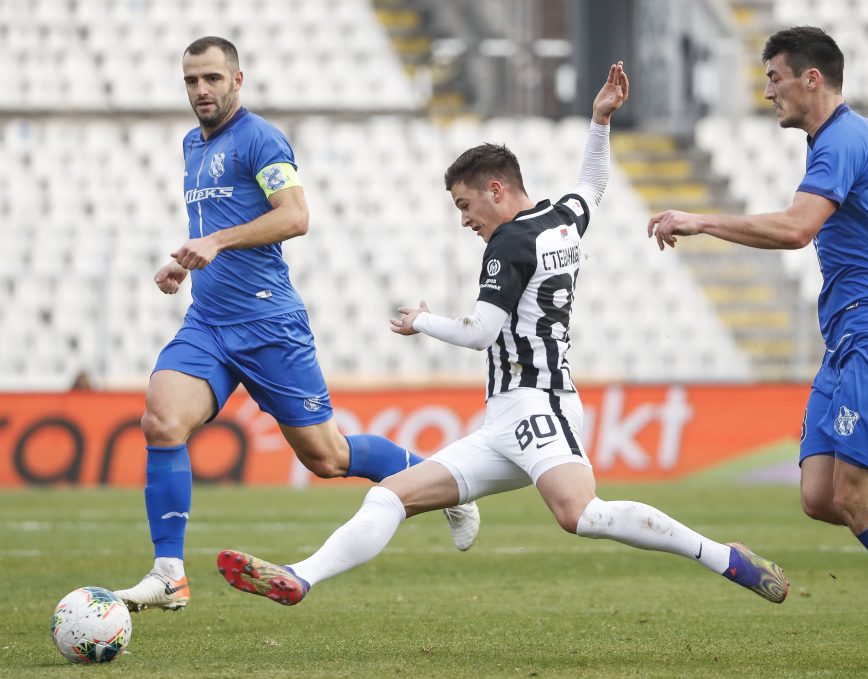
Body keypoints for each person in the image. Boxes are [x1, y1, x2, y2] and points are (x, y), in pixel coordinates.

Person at [214, 62, 790, 611]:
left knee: (581, 515)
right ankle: (301, 576)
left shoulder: (510, 243)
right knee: (391, 494)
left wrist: (421, 321)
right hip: (507, 418)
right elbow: (592, 184)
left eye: (465, 205)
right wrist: (600, 121)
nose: (464, 219)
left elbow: (481, 332)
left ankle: (723, 558)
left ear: (495, 189)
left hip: (537, 405)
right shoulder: (562, 216)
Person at [647, 26, 868, 673]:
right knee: (821, 493)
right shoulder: (840, 144)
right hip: (849, 340)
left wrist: (700, 219)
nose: (768, 92)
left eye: (775, 78)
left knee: (860, 496)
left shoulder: (842, 138)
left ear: (812, 79)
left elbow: (796, 229)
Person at [113, 36, 479, 613]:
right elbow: (216, 227)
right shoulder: (190, 144)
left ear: (238, 80)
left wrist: (215, 241)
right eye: (191, 81)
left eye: (212, 78)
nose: (201, 90)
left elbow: (295, 216)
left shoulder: (260, 138)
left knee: (327, 458)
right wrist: (183, 263)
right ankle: (168, 576)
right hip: (209, 322)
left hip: (268, 324)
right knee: (160, 421)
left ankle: (443, 481)